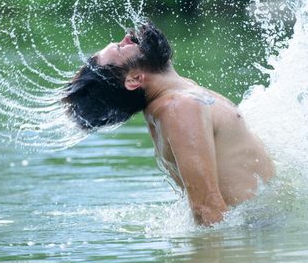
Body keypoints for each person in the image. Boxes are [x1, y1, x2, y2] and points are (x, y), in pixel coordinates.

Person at [62, 22, 275, 226]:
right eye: (121, 48)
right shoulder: (178, 108)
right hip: (258, 232)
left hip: (259, 225)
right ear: (134, 79)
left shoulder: (177, 98)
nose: (128, 37)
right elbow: (205, 208)